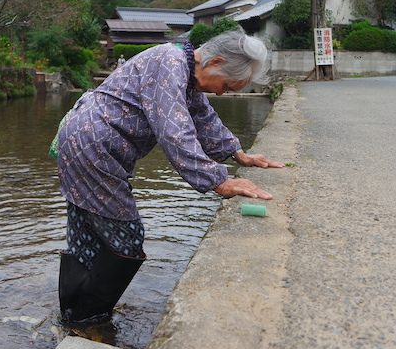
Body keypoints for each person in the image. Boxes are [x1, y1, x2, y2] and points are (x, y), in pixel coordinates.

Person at [55, 31, 283, 325]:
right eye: (227, 84)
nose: (223, 92)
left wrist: (237, 153)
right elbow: (174, 131)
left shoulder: (185, 69)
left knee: (87, 230)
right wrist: (218, 181)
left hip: (83, 141)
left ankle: (73, 313)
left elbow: (202, 117)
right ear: (215, 61)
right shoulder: (170, 62)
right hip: (93, 146)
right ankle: (88, 316)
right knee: (127, 235)